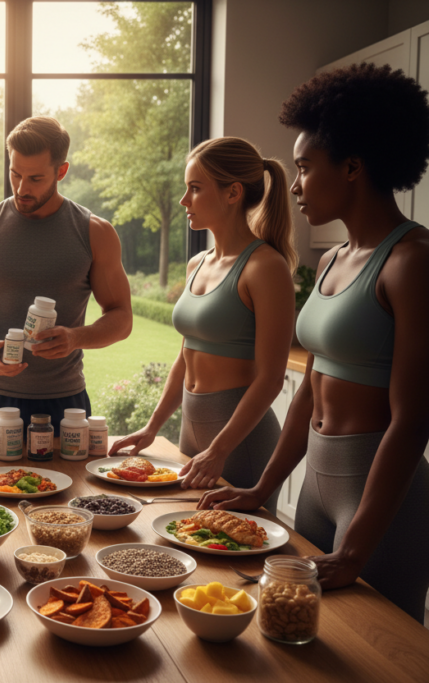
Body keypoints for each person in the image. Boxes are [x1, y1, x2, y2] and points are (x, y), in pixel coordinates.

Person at [199, 63, 429, 622]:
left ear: (352, 167)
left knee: (377, 649)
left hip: (379, 493)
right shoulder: (330, 259)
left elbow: (414, 416)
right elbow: (310, 388)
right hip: (316, 487)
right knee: (297, 635)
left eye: (304, 168)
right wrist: (263, 486)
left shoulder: (412, 261)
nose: (294, 185)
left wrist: (355, 548)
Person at [110, 138, 296, 510]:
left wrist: (219, 449)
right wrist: (152, 426)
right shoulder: (198, 263)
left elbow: (272, 378)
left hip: (239, 442)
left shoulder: (266, 267)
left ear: (233, 193)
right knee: (187, 539)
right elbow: (186, 356)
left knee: (235, 550)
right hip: (193, 434)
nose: (184, 200)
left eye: (195, 188)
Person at [0, 116, 132, 433]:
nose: (22, 188)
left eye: (36, 179)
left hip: (64, 404)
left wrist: (74, 338)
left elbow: (121, 317)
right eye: (15, 174)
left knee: (70, 485)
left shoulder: (96, 233)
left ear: (62, 171)